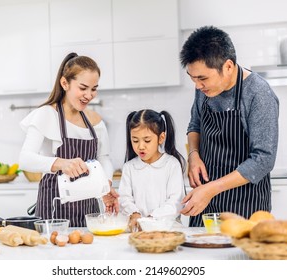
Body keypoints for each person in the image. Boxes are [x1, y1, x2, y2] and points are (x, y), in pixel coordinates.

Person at [179, 26, 279, 227]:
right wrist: (194, 155)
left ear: (228, 67)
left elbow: (263, 160)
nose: (197, 86)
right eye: (193, 78)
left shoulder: (258, 94)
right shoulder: (204, 89)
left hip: (245, 205)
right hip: (205, 201)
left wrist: (211, 189)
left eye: (202, 78)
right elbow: (194, 125)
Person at [19, 52, 118, 227]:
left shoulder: (95, 121)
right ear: (65, 83)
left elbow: (104, 158)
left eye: (94, 89)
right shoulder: (46, 115)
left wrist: (105, 185)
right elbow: (25, 159)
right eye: (83, 87)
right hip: (54, 211)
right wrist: (62, 163)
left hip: (89, 210)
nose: (89, 95)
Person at [118, 109, 186, 231]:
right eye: (135, 140)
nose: (140, 146)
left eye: (147, 140)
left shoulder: (171, 165)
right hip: (137, 232)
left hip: (168, 231)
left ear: (161, 138)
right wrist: (134, 213)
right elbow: (124, 198)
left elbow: (175, 202)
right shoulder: (129, 167)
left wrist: (151, 219)